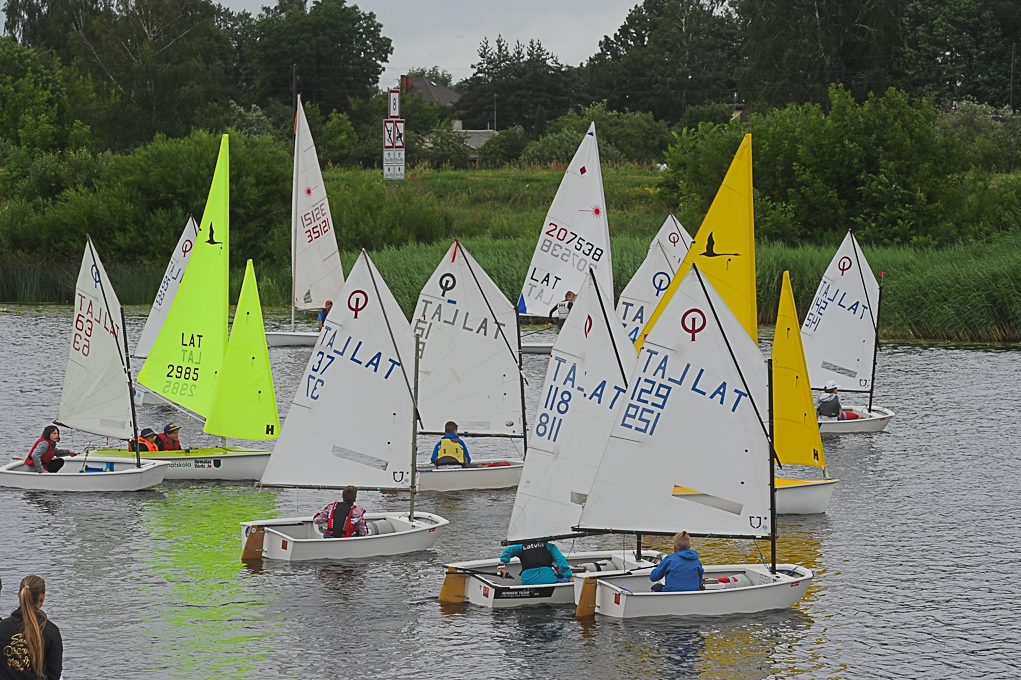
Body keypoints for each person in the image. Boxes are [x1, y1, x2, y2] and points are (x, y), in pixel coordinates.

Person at [0, 575, 62, 680]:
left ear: (19, 595)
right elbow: (54, 674)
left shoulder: (2, 628)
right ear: (42, 597)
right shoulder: (51, 631)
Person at [497, 540, 574, 585]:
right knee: (563, 579)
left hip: (527, 582)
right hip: (549, 581)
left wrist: (502, 565)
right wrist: (569, 577)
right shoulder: (550, 546)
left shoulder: (521, 546)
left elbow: (508, 550)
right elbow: (561, 561)